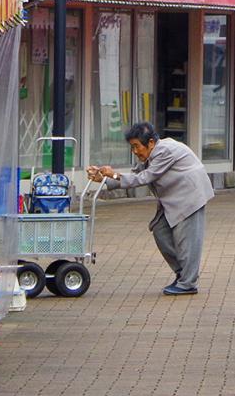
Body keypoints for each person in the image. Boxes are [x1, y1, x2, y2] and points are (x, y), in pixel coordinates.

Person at [88, 122, 213, 296]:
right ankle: (182, 273)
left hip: (190, 196)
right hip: (173, 198)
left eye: (136, 146)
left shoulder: (164, 151)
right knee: (159, 230)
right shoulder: (151, 155)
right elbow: (135, 175)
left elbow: (144, 178)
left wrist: (113, 175)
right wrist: (103, 179)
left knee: (187, 241)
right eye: (132, 147)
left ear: (151, 143)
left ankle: (188, 283)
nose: (135, 151)